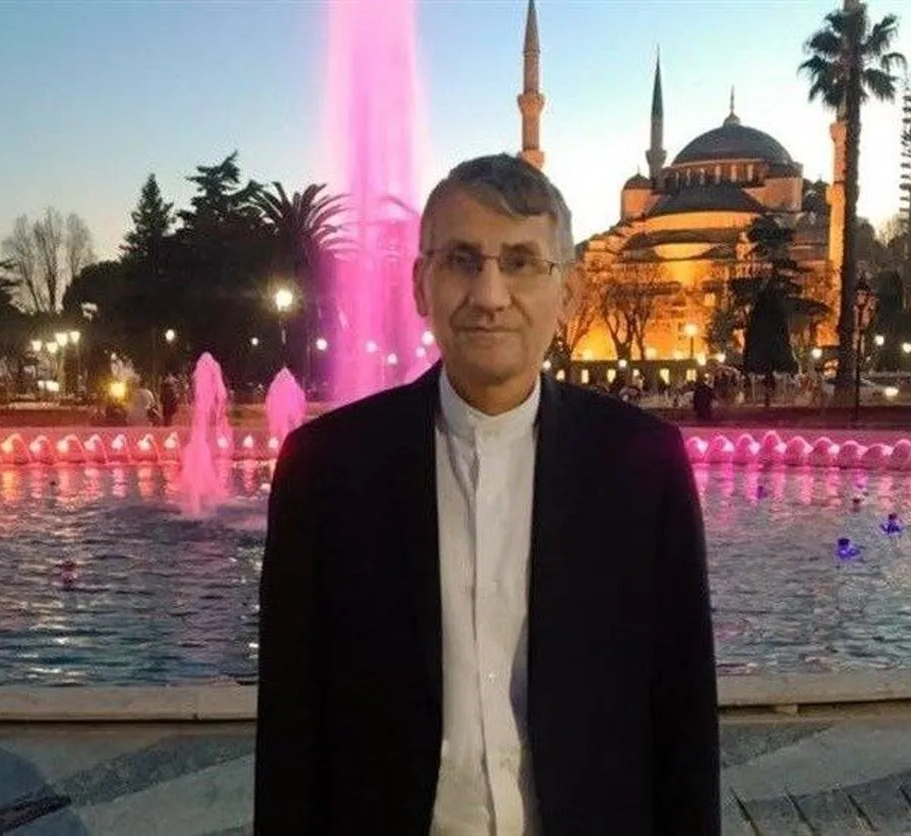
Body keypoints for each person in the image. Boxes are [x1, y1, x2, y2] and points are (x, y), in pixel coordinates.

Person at [255, 154, 720, 834]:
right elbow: (291, 724)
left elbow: (682, 712)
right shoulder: (326, 470)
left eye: (522, 261)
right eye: (462, 260)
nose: (490, 295)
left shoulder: (642, 465)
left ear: (569, 291)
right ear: (422, 284)